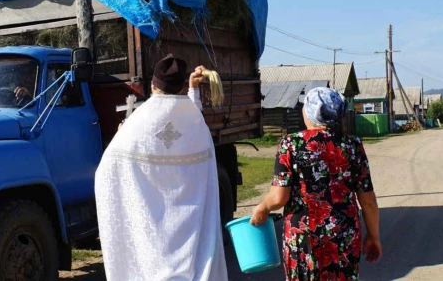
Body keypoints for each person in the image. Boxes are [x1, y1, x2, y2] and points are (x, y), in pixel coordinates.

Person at [95, 54, 228, 281]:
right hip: (191, 235)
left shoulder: (136, 125)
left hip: (151, 239)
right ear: (181, 88)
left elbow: (106, 173)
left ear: (153, 86)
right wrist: (193, 90)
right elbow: (191, 117)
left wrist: (121, 140)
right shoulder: (196, 125)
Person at [251, 87, 381, 280]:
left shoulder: (291, 144)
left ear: (311, 112)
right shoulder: (352, 146)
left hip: (304, 239)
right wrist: (374, 236)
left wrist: (262, 208)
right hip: (343, 236)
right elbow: (368, 200)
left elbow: (278, 198)